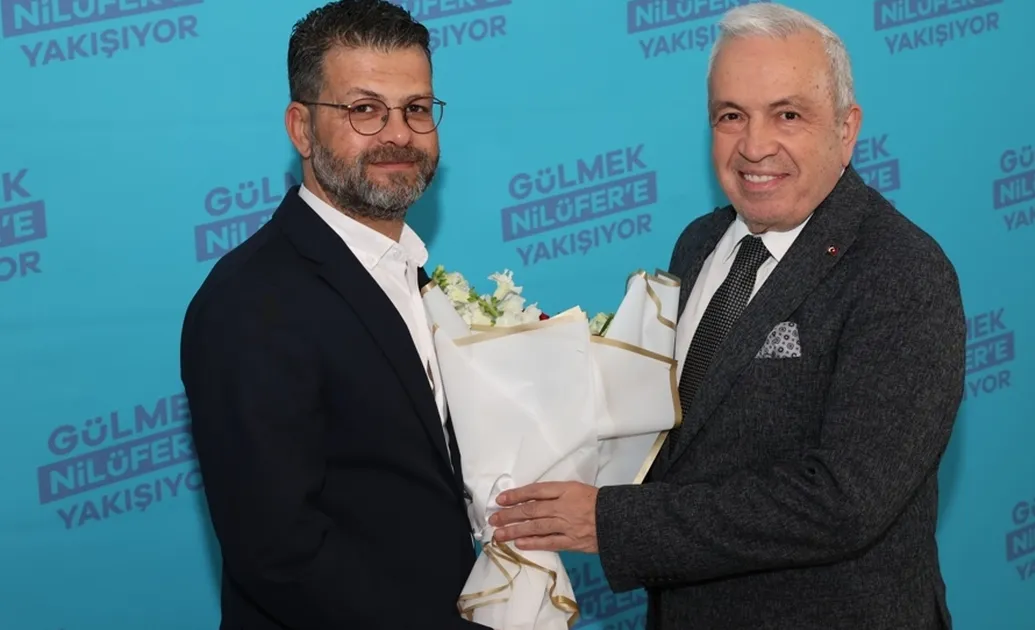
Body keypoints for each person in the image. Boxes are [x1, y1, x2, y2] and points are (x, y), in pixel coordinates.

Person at [488, 4, 966, 629]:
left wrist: (610, 522)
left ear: (846, 130)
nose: (755, 145)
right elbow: (677, 440)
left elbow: (842, 502)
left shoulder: (901, 271)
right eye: (731, 116)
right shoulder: (699, 243)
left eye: (788, 115)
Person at [179, 1, 487, 628]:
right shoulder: (250, 301)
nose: (398, 134)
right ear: (301, 128)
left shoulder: (412, 276)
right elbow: (279, 555)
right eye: (364, 110)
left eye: (416, 108)